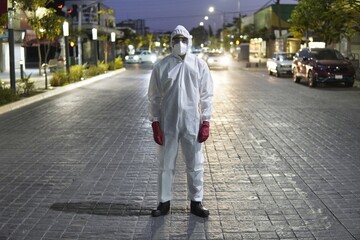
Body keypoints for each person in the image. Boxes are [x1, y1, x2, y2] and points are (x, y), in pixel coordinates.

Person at [147, 25, 214, 218]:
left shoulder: (199, 65)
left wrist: (206, 121)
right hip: (168, 122)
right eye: (176, 40)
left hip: (192, 121)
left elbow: (207, 94)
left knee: (195, 163)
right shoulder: (162, 65)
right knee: (165, 164)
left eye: (183, 40)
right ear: (171, 43)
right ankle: (164, 202)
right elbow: (153, 97)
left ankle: (196, 202)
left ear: (189, 41)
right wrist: (155, 122)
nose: (180, 43)